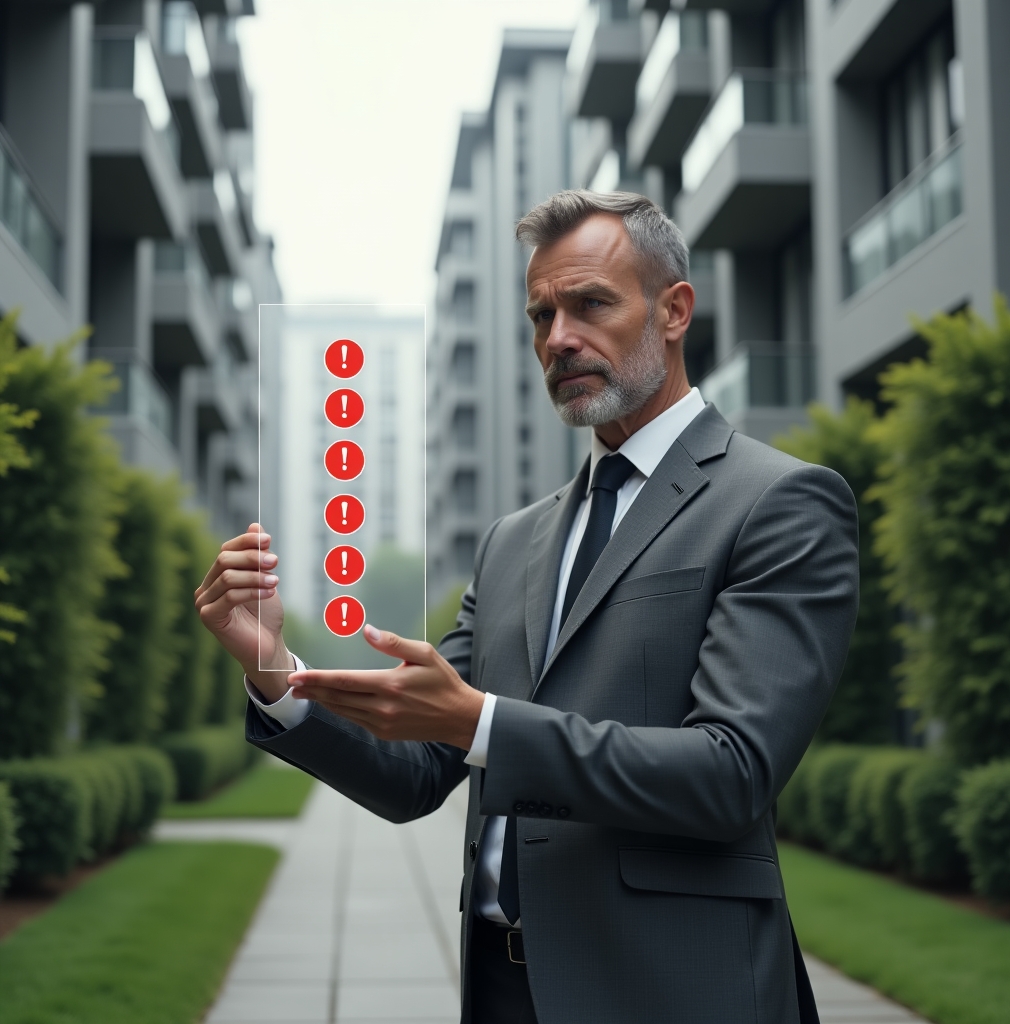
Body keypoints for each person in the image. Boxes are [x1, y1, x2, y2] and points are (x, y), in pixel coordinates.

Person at [196, 191, 859, 1024]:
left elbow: (730, 773)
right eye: (540, 315)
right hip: (504, 989)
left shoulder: (780, 503)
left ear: (675, 310)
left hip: (673, 991)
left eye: (590, 305)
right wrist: (271, 668)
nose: (558, 340)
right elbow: (415, 776)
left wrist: (482, 723)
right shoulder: (514, 541)